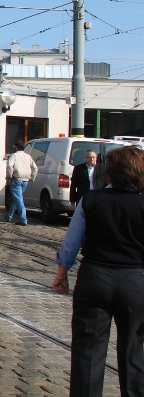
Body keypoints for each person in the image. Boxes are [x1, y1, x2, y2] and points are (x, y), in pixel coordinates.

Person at [52, 145, 144, 397]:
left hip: (95, 278)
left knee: (88, 350)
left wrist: (62, 274)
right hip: (135, 281)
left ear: (109, 173)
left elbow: (71, 242)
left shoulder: (91, 199)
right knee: (135, 349)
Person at [5, 140, 37, 226]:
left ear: (16, 147)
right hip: (25, 180)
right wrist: (32, 177)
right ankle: (9, 215)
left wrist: (9, 176)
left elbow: (9, 166)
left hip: (16, 179)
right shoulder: (28, 156)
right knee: (16, 198)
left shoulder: (14, 155)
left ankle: (23, 219)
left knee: (18, 199)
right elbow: (35, 168)